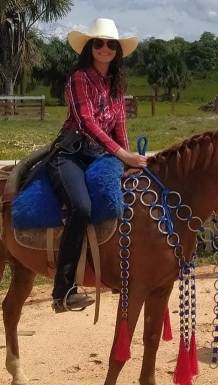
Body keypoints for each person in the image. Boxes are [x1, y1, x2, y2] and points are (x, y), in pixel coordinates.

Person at [48, 18, 147, 312]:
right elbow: (87, 123)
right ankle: (63, 291)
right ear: (90, 48)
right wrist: (122, 154)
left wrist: (128, 158)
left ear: (117, 50)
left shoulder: (115, 84)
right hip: (71, 154)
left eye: (110, 44)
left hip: (102, 156)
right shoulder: (79, 77)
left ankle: (119, 271)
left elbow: (120, 125)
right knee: (81, 207)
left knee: (130, 198)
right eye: (99, 43)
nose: (104, 48)